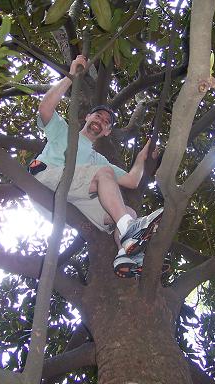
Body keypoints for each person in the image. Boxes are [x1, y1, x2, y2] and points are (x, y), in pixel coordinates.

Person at [29, 55, 163, 278]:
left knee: (126, 211)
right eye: (98, 116)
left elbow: (131, 180)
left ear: (107, 132)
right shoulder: (65, 131)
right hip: (45, 181)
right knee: (105, 177)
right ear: (87, 117)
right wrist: (71, 77)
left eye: (106, 123)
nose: (100, 121)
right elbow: (45, 109)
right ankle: (130, 230)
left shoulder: (98, 161)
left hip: (67, 204)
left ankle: (127, 255)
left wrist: (142, 157)